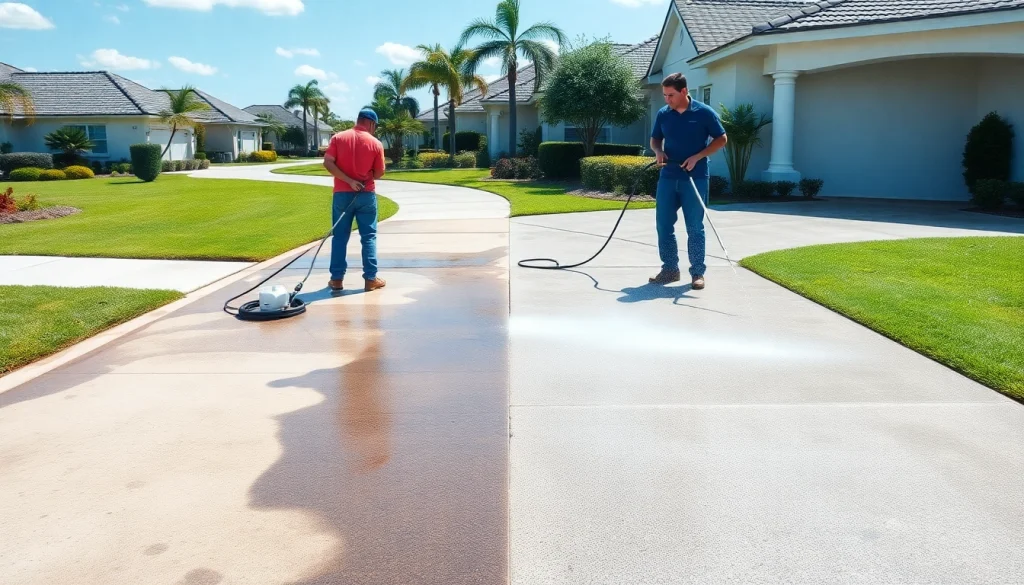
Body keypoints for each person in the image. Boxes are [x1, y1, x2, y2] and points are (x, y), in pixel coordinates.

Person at [649, 72, 728, 290]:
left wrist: (698, 156)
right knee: (663, 225)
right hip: (668, 177)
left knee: (694, 227)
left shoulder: (704, 113)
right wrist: (658, 151)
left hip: (695, 177)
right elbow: (655, 139)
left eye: (671, 95)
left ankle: (697, 273)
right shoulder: (664, 114)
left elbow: (722, 139)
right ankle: (670, 270)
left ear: (684, 91)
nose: (667, 100)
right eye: (665, 95)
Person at [323, 108, 387, 292]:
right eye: (375, 126)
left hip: (341, 195)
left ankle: (336, 279)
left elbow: (328, 162)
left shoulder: (338, 138)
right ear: (371, 123)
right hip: (366, 195)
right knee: (368, 237)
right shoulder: (375, 143)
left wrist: (349, 181)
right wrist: (363, 177)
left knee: (339, 237)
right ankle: (370, 279)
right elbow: (380, 173)